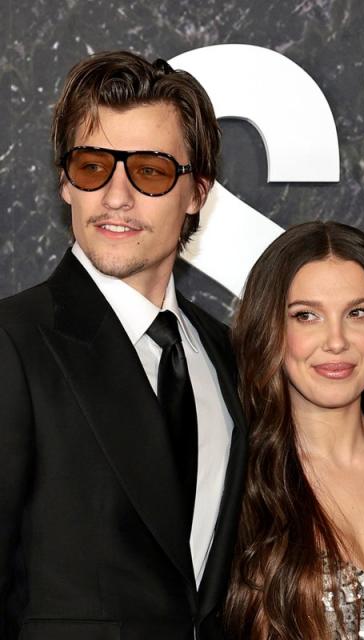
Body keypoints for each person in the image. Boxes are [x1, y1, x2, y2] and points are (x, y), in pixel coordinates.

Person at [0, 52, 246, 638]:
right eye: (91, 166)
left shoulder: (226, 355)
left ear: (197, 194)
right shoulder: (12, 346)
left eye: (151, 171)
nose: (116, 196)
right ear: (65, 182)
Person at [225, 221, 364, 639]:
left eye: (358, 313)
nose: (336, 341)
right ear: (272, 331)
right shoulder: (234, 474)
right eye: (306, 316)